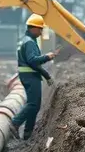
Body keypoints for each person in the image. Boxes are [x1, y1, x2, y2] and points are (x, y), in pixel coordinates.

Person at [10, 13, 58, 141]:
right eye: (40, 29)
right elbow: (33, 61)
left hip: (28, 75)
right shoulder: (30, 43)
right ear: (34, 28)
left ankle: (28, 133)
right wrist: (47, 57)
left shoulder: (26, 40)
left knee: (34, 104)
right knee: (33, 104)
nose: (41, 32)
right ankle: (15, 123)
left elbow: (33, 63)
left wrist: (46, 76)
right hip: (30, 76)